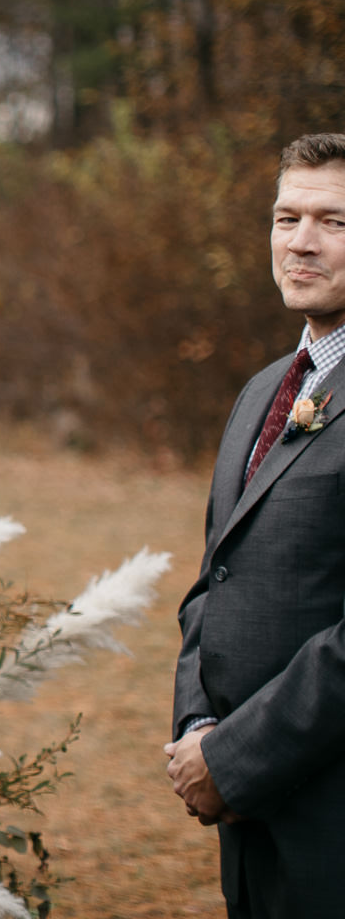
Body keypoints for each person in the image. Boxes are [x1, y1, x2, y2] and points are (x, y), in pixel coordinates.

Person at [169, 132, 345, 919]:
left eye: (334, 222)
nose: (301, 242)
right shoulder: (262, 392)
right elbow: (214, 579)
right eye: (286, 217)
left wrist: (237, 760)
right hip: (248, 824)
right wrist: (200, 729)